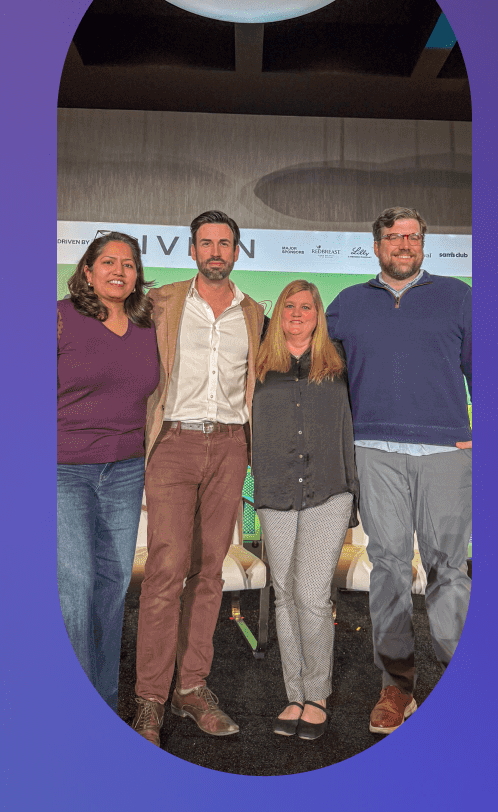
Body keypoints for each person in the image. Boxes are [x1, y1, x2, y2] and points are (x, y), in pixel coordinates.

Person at [326, 207, 472, 735]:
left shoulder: (458, 296)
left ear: (424, 244)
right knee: (386, 565)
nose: (404, 244)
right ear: (377, 246)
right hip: (374, 449)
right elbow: (316, 370)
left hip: (445, 452)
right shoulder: (347, 305)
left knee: (448, 568)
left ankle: (462, 679)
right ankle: (396, 687)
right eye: (394, 237)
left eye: (412, 236)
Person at [130, 210, 265, 746]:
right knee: (165, 572)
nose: (215, 251)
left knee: (209, 573)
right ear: (191, 250)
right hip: (173, 444)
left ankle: (191, 686)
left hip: (231, 445)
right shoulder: (160, 302)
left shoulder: (254, 312)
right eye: (206, 243)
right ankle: (149, 699)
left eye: (224, 243)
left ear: (237, 251)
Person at [251, 280, 356, 742]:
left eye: (306, 306)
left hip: (328, 493)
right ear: (279, 314)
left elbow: (351, 430)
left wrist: (355, 491)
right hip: (274, 492)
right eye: (289, 306)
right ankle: (293, 694)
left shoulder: (338, 367)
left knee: (311, 595)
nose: (297, 313)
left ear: (319, 315)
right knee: (283, 594)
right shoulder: (258, 367)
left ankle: (317, 695)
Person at [57, 232, 159, 709]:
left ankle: (106, 696)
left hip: (124, 469)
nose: (120, 270)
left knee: (113, 584)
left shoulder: (147, 324)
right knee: (75, 585)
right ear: (87, 271)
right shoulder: (59, 318)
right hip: (64, 469)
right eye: (109, 262)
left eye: (130, 264)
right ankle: (77, 705)